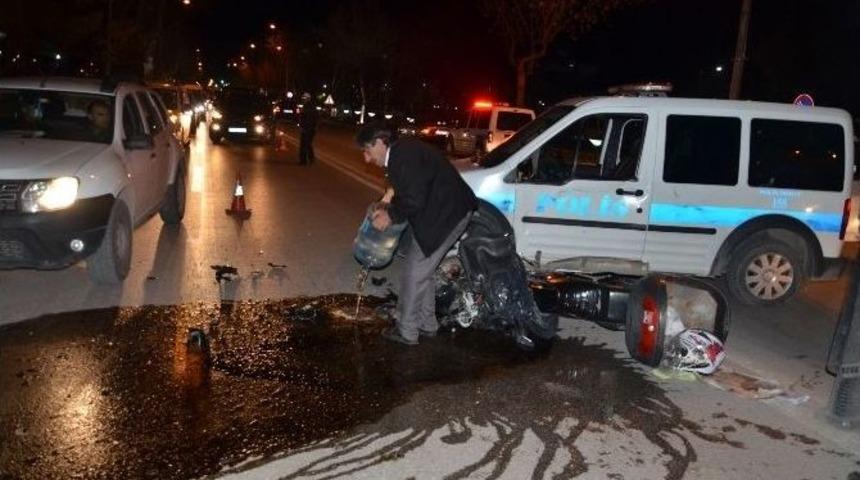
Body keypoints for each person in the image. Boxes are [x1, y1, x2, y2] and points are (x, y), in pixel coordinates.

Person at [357, 123, 478, 345]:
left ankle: (407, 331)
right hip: (442, 212)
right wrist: (385, 203)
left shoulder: (404, 156)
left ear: (380, 143)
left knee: (413, 271)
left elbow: (414, 199)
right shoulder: (400, 154)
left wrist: (390, 216)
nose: (366, 158)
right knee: (424, 270)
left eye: (367, 150)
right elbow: (400, 188)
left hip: (446, 215)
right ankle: (427, 323)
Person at [298, 92, 318, 165]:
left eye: (304, 98)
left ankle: (304, 161)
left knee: (304, 144)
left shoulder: (308, 107)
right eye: (303, 98)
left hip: (308, 129)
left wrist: (304, 127)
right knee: (308, 144)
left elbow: (308, 118)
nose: (303, 100)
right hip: (309, 129)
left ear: (308, 99)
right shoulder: (308, 106)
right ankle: (310, 158)